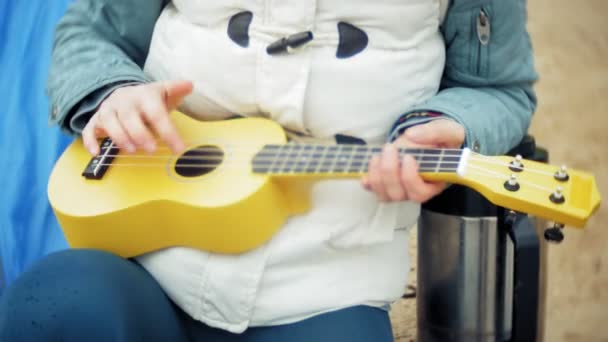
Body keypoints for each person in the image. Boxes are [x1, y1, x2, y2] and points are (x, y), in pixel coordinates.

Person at [0, 0, 537, 341]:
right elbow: (90, 33)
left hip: (327, 287)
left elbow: (499, 89)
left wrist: (453, 123)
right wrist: (112, 93)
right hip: (152, 265)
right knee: (53, 304)